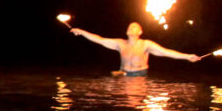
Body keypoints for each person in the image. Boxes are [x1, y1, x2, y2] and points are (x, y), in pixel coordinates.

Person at [71, 22, 200, 76]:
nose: (131, 27)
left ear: (140, 31)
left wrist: (188, 56)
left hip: (139, 76)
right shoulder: (120, 43)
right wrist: (81, 32)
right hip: (123, 74)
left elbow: (167, 52)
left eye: (134, 26)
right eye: (129, 26)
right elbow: (99, 39)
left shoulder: (146, 44)